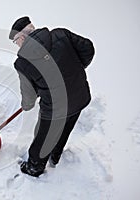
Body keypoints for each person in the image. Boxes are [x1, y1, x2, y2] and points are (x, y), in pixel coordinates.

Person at [9, 16, 95, 177]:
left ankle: (34, 167)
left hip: (55, 109)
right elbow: (88, 48)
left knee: (43, 139)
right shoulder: (61, 35)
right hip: (80, 96)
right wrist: (74, 70)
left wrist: (28, 103)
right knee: (66, 128)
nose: (17, 45)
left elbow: (29, 99)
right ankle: (55, 156)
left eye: (15, 41)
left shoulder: (23, 63)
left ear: (21, 37)